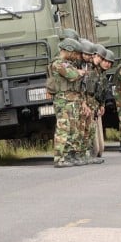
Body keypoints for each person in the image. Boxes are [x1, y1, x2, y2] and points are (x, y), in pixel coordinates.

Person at [47, 38, 85, 167]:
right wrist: (78, 73)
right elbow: (72, 75)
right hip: (63, 100)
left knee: (72, 128)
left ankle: (69, 155)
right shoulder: (58, 63)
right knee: (63, 128)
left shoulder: (66, 63)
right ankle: (59, 158)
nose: (76, 56)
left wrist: (77, 72)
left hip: (70, 99)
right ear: (68, 50)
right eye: (74, 53)